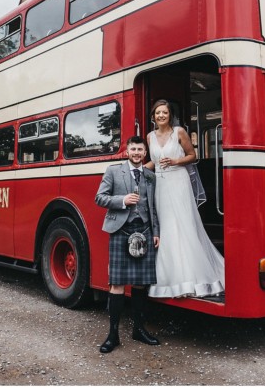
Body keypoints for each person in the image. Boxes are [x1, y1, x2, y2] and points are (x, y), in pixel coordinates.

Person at [146, 99, 225, 299]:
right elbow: (153, 162)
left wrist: (175, 161)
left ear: (169, 115)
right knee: (166, 227)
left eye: (164, 112)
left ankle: (191, 278)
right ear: (153, 116)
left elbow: (193, 155)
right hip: (161, 185)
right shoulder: (149, 137)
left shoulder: (179, 132)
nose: (161, 116)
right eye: (158, 113)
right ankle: (169, 279)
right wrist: (134, 168)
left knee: (183, 225)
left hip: (179, 182)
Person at [95, 136, 161, 353]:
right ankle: (112, 335)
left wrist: (156, 232)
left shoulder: (150, 176)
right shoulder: (113, 171)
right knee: (117, 284)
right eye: (133, 149)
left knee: (141, 283)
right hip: (120, 230)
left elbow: (153, 208)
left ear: (145, 153)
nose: (136, 153)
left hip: (144, 231)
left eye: (140, 149)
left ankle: (139, 330)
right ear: (127, 152)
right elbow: (100, 198)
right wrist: (122, 200)